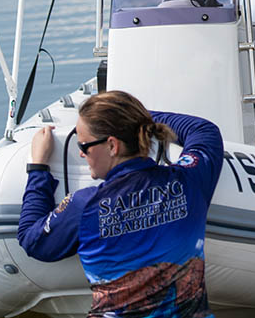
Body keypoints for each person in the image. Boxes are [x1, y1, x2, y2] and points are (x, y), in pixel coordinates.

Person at [18, 90, 223, 317]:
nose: (81, 153)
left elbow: (31, 240)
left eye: (84, 145)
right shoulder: (189, 181)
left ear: (113, 146)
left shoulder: (85, 206)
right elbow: (203, 130)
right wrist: (138, 120)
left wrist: (37, 168)